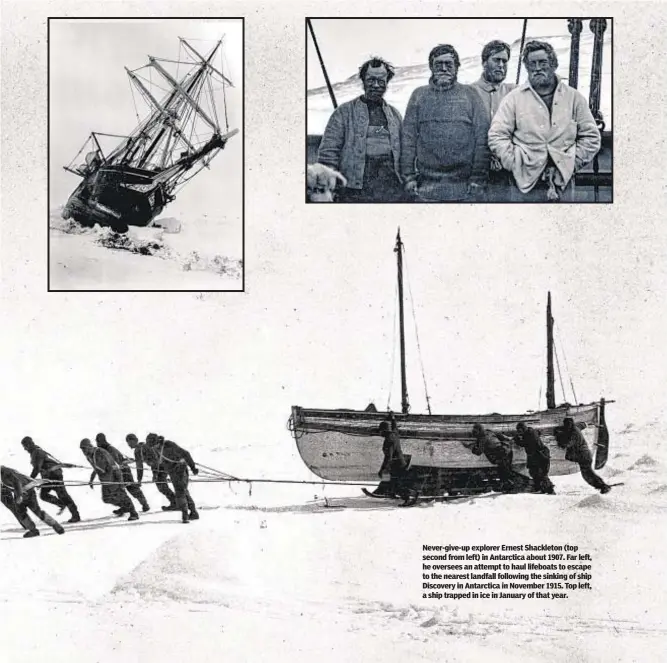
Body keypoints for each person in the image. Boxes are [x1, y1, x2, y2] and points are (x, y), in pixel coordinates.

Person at [488, 40, 601, 202]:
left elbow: (592, 137)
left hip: (563, 183)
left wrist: (570, 164)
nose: (538, 68)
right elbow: (497, 135)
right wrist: (515, 163)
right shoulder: (513, 99)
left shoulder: (574, 98)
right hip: (523, 186)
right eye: (532, 64)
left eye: (543, 62)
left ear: (553, 64)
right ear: (527, 67)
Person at [400, 44, 490, 202]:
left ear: (456, 68)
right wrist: (409, 177)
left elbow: (482, 139)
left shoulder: (470, 95)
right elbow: (408, 140)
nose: (443, 69)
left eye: (448, 64)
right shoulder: (419, 96)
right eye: (438, 64)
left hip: (464, 186)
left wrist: (477, 179)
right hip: (426, 187)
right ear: (431, 67)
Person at [317, 57, 404, 202]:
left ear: (387, 83)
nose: (376, 85)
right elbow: (328, 154)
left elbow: (405, 153)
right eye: (371, 80)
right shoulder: (343, 113)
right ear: (363, 81)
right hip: (354, 190)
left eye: (381, 80)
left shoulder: (395, 115)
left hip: (391, 187)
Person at [470, 40, 516, 201]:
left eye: (505, 61)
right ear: (484, 63)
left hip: (505, 174)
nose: (501, 65)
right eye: (496, 60)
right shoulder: (468, 93)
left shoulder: (514, 93)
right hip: (474, 174)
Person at [21, 436, 81, 523]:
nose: (25, 449)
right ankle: (61, 504)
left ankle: (76, 515)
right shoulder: (34, 452)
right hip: (48, 477)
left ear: (29, 444)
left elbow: (37, 468)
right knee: (44, 495)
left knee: (63, 495)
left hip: (55, 475)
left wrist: (30, 481)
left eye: (25, 446)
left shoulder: (37, 452)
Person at [80, 439, 139, 521]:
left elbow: (115, 467)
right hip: (105, 480)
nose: (83, 451)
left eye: (84, 448)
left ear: (90, 446)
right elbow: (96, 468)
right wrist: (91, 479)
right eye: (82, 449)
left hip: (114, 478)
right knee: (106, 499)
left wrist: (120, 482)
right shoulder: (89, 456)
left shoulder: (101, 452)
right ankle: (124, 507)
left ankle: (134, 513)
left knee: (122, 496)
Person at [146, 433, 199, 523]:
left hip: (180, 469)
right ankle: (193, 513)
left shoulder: (169, 445)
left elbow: (186, 454)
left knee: (181, 491)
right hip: (171, 472)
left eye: (155, 445)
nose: (154, 447)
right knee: (182, 491)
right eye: (152, 446)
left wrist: (193, 468)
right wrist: (155, 474)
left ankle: (186, 515)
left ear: (158, 441)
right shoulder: (155, 449)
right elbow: (158, 463)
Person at [1, 465, 65, 538]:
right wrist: (35, 482)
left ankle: (33, 531)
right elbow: (24, 477)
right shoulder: (8, 470)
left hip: (23, 492)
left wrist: (19, 496)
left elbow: (16, 482)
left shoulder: (4, 474)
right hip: (29, 490)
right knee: (36, 510)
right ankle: (56, 526)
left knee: (20, 512)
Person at [95, 433, 149, 512]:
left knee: (131, 488)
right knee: (118, 491)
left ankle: (145, 505)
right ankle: (125, 507)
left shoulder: (110, 449)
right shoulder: (101, 451)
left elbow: (118, 461)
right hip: (114, 472)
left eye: (98, 441)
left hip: (123, 470)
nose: (97, 443)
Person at [556, 418, 611, 493]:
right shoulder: (575, 428)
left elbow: (566, 444)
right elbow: (582, 425)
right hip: (585, 455)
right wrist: (586, 424)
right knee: (588, 474)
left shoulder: (573, 433)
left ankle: (602, 486)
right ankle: (601, 486)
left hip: (583, 457)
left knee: (588, 475)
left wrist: (559, 436)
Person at [126, 433, 177, 511]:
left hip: (162, 465)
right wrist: (139, 480)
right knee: (161, 486)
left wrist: (155, 474)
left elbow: (155, 460)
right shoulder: (137, 451)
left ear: (135, 440)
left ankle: (176, 503)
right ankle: (175, 502)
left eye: (129, 442)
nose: (128, 445)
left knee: (162, 486)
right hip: (158, 467)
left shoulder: (145, 447)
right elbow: (139, 467)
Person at [470, 423, 522, 492]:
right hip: (507, 450)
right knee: (506, 471)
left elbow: (478, 452)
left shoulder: (482, 440)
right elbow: (501, 436)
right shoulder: (489, 431)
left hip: (501, 455)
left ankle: (512, 489)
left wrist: (472, 448)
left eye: (475, 433)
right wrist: (508, 439)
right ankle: (509, 487)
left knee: (503, 473)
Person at [513, 422, 555, 494]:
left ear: (523, 429)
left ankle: (549, 489)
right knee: (534, 472)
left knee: (540, 473)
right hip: (537, 455)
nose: (519, 433)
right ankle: (540, 488)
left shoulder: (530, 435)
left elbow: (524, 443)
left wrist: (516, 440)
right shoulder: (530, 431)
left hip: (540, 455)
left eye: (519, 431)